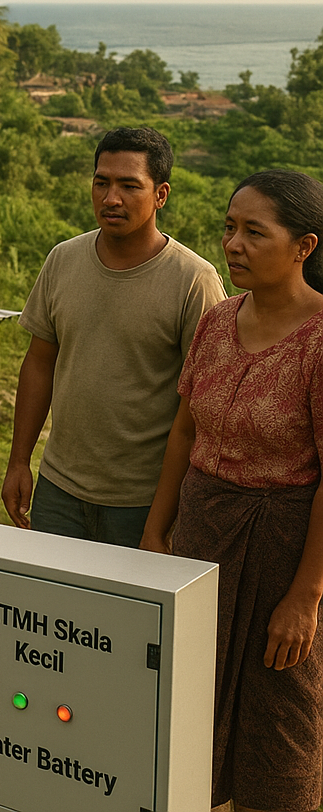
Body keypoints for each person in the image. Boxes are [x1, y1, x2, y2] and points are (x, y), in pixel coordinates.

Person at [142, 169, 323, 812]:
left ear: (303, 246)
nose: (234, 244)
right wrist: (155, 532)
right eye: (229, 228)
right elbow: (184, 434)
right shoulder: (218, 321)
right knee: (189, 703)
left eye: (254, 231)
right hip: (201, 537)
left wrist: (305, 595)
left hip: (282, 549)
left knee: (281, 713)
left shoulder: (320, 340)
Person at [1, 126, 226, 546]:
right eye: (101, 182)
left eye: (128, 185)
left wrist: (163, 520)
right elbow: (39, 363)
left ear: (161, 195)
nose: (111, 198)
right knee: (57, 608)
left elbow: (201, 406)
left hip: (144, 502)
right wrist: (19, 462)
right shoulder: (63, 260)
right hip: (58, 490)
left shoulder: (194, 281)